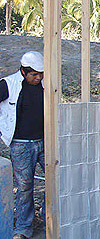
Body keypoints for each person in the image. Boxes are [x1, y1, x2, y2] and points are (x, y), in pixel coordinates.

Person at [0, 51, 45, 239]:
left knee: (58, 178)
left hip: (45, 141)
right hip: (20, 145)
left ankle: (48, 217)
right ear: (24, 71)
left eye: (41, 73)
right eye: (34, 74)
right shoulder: (7, 84)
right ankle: (24, 228)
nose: (38, 77)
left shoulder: (45, 84)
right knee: (25, 187)